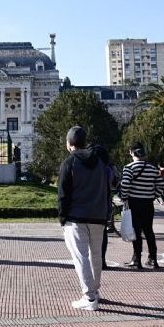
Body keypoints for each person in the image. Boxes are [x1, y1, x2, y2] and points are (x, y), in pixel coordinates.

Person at [57, 126, 109, 311]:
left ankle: (88, 297)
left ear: (69, 144)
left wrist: (62, 217)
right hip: (98, 215)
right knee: (96, 256)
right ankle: (95, 292)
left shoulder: (69, 162)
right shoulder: (101, 162)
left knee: (81, 257)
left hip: (76, 217)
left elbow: (63, 193)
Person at [119, 142, 164, 270]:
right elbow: (161, 185)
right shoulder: (152, 168)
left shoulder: (129, 168)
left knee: (136, 232)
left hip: (134, 203)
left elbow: (125, 185)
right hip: (148, 203)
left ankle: (137, 259)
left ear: (132, 153)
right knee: (149, 230)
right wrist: (153, 195)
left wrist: (124, 196)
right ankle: (153, 259)